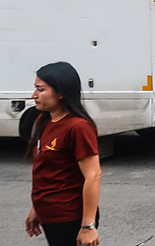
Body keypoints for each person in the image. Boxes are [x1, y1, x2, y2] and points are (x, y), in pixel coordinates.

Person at [25, 62, 101, 246]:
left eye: (40, 89)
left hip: (69, 217)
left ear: (61, 93)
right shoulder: (44, 120)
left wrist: (88, 226)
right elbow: (48, 172)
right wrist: (37, 208)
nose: (34, 95)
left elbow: (93, 175)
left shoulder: (78, 127)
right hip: (50, 215)